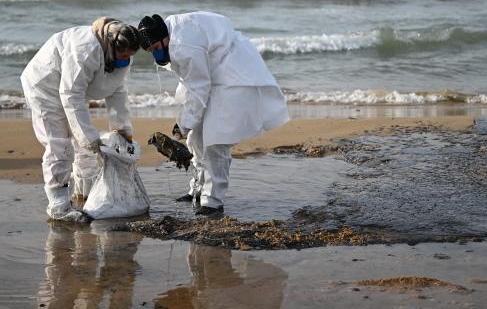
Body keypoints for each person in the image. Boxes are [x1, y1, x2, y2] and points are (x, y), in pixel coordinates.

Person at [138, 12, 289, 215]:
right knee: (195, 139)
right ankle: (197, 190)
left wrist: (182, 125)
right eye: (151, 51)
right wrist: (184, 125)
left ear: (164, 38)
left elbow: (199, 87)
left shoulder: (184, 46)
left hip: (232, 72)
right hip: (212, 69)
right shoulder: (171, 33)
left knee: (215, 139)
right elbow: (193, 84)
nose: (156, 55)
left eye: (156, 48)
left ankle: (213, 202)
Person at [21, 17, 141, 222]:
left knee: (83, 144)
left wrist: (123, 133)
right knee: (59, 144)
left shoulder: (121, 55)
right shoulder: (85, 49)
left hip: (73, 91)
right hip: (45, 88)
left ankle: (84, 194)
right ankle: (58, 206)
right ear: (111, 46)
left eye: (130, 56)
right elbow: (70, 93)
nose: (126, 59)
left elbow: (118, 93)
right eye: (123, 54)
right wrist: (90, 138)